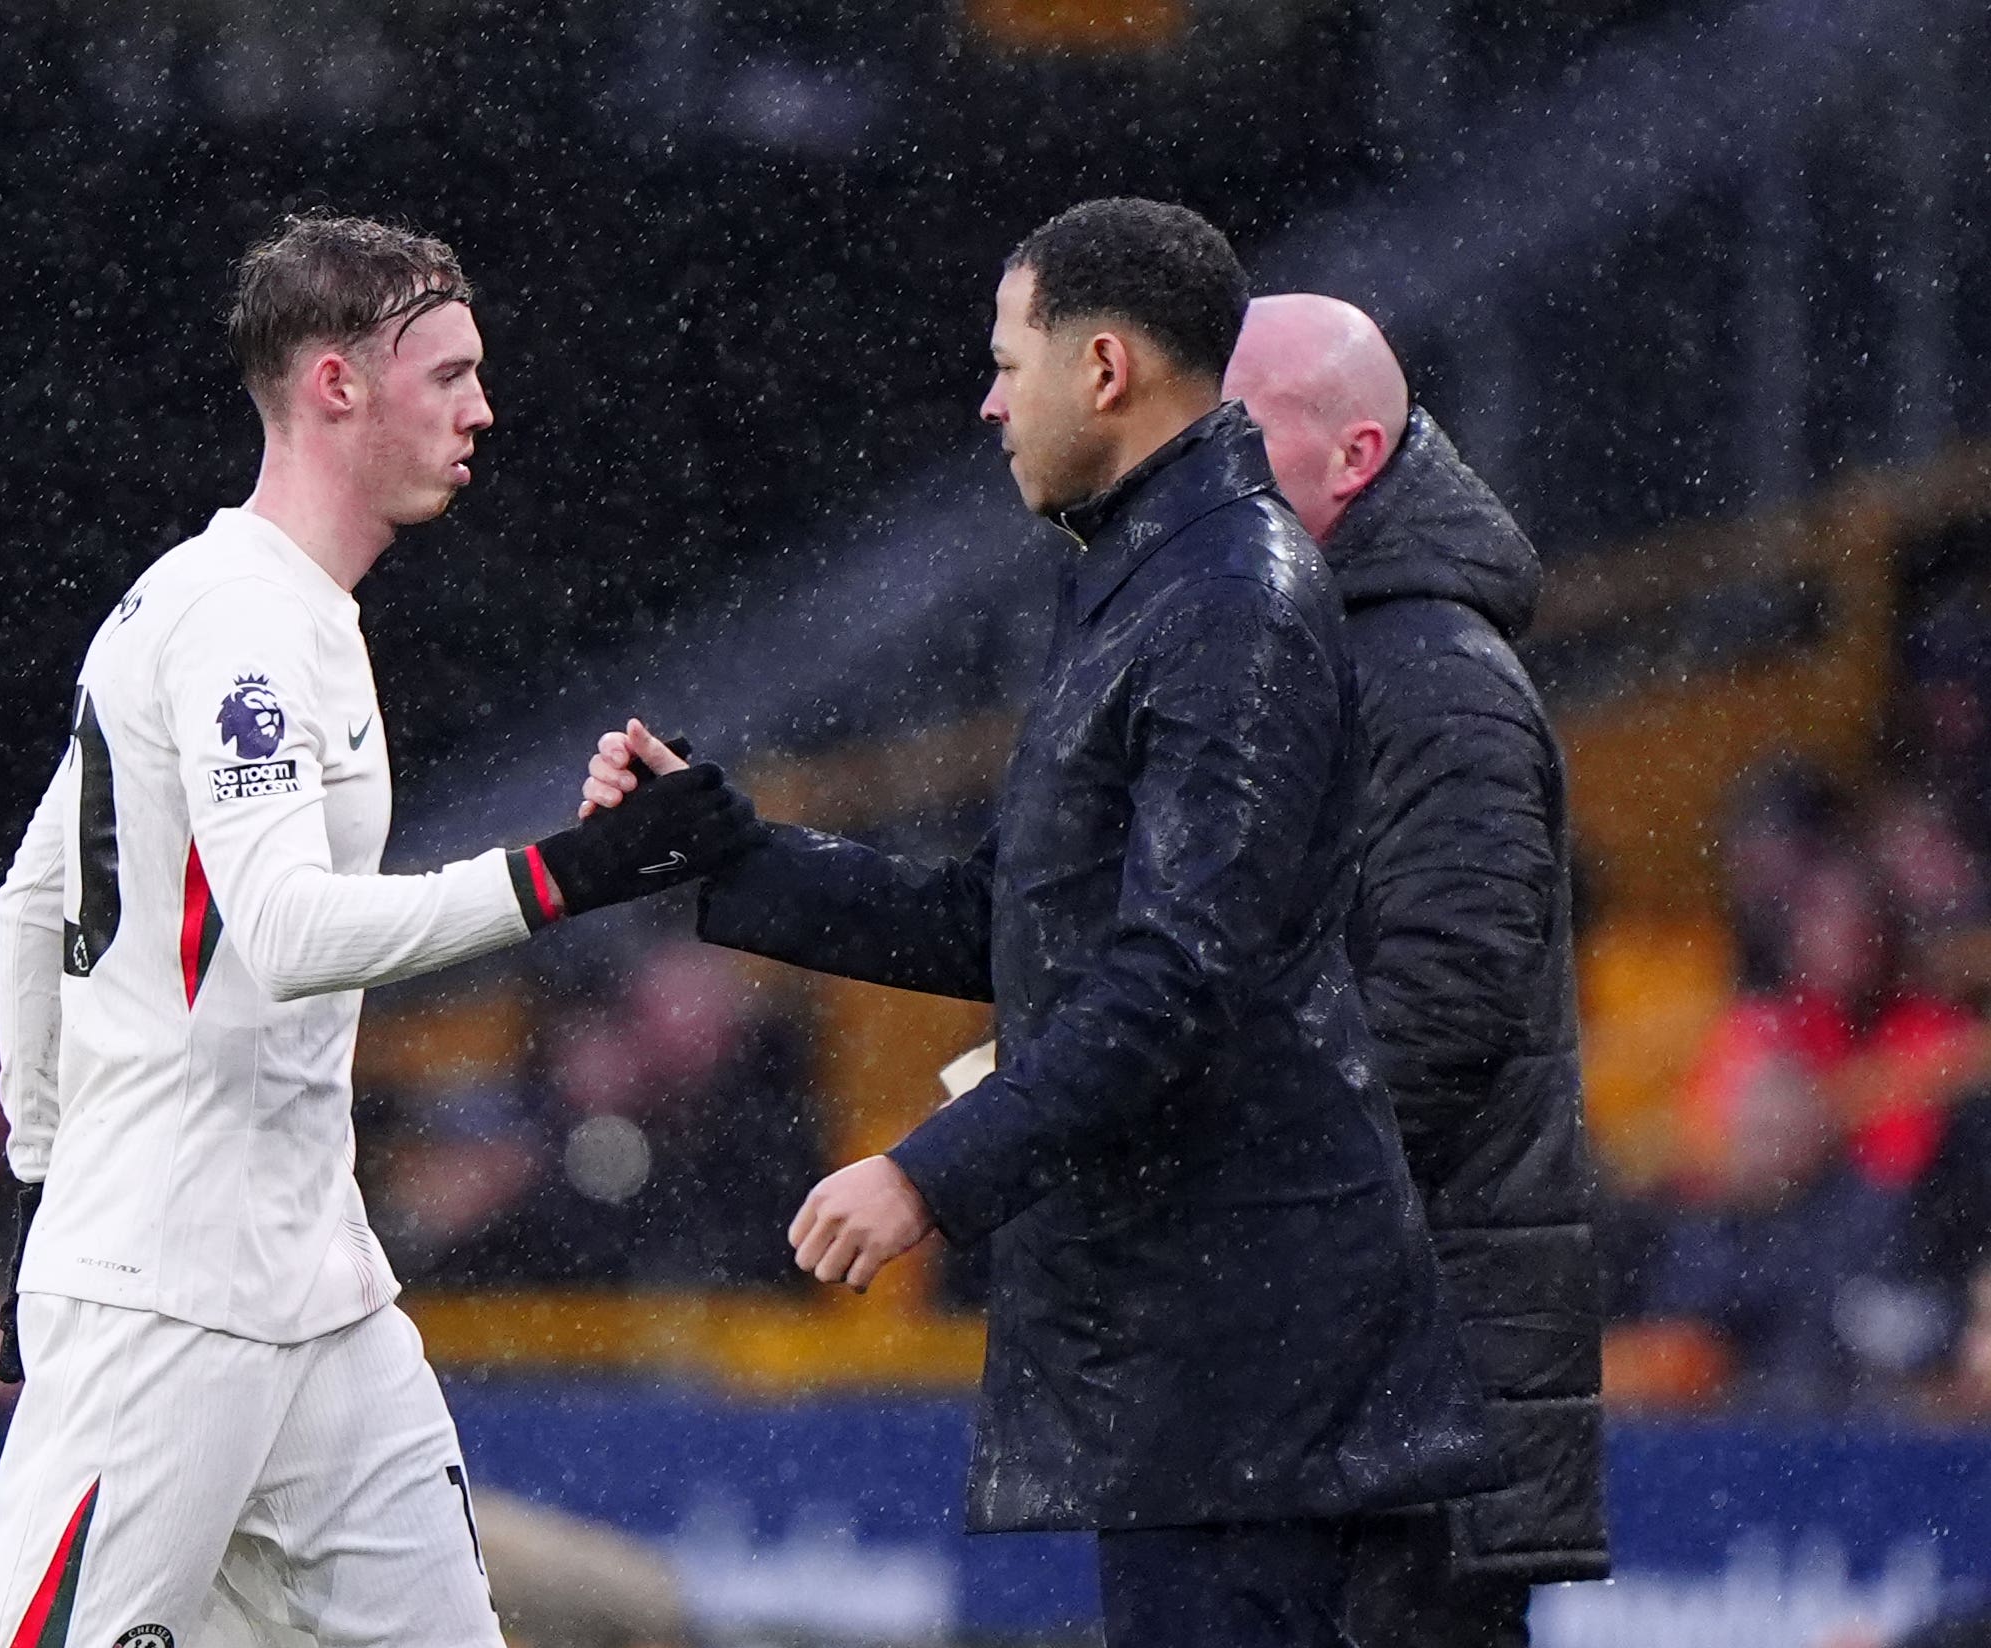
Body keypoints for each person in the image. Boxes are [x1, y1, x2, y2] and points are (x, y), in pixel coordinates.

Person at [586, 199, 1490, 1648]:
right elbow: (1006, 921)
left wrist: (929, 1176)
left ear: (1105, 368)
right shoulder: (1150, 579)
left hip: (1253, 1357)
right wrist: (725, 852)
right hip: (1208, 1348)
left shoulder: (1230, 599)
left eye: (1010, 362)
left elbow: (1178, 974)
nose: (992, 401)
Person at [0, 212, 760, 1648]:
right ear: (337, 386)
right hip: (168, 1296)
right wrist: (565, 876)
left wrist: (38, 1185)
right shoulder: (242, 621)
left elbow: (28, 909)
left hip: (316, 1294)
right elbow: (280, 930)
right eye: (448, 374)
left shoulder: (234, 605)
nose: (482, 408)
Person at [1219, 294, 1609, 1646]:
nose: (1202, 462)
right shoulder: (1317, 647)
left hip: (1416, 1383)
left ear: (1358, 454)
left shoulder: (1435, 676)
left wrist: (1207, 1161)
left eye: (1239, 427)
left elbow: (1443, 1012)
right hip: (1353, 1365)